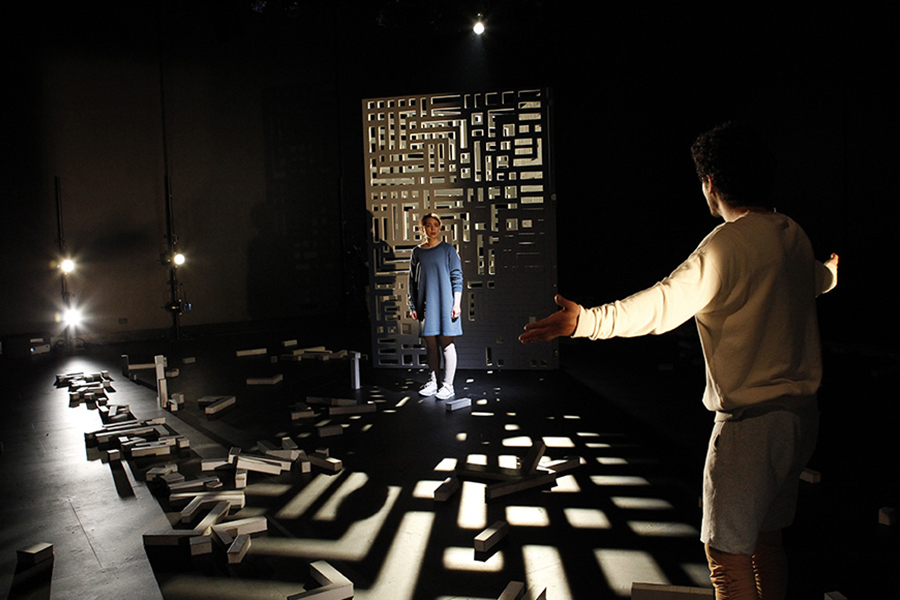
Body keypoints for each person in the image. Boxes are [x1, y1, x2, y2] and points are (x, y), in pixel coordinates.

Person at [519, 122, 839, 600]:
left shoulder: (726, 245)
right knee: (766, 543)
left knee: (727, 558)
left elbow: (662, 304)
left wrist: (586, 321)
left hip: (750, 430)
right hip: (800, 421)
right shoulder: (793, 234)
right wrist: (832, 272)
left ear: (710, 183)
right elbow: (813, 280)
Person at [409, 213, 463, 400]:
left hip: (446, 303)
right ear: (422, 228)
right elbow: (412, 281)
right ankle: (433, 382)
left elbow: (457, 277)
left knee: (447, 345)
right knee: (431, 346)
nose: (432, 229)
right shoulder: (417, 252)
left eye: (435, 225)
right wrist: (413, 305)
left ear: (439, 227)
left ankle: (448, 385)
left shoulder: (448, 250)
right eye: (428, 225)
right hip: (426, 304)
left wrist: (457, 304)